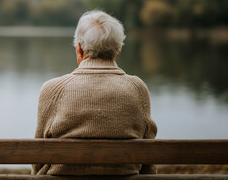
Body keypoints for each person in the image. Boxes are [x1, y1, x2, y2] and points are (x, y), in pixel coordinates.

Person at [32, 10, 157, 175]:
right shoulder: (137, 88)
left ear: (79, 49)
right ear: (118, 50)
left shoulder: (53, 89)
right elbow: (148, 156)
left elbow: (38, 156)